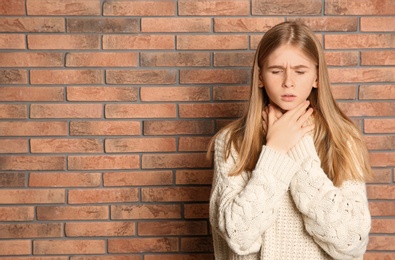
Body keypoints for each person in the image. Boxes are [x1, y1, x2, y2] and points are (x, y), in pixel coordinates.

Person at [208, 21, 374, 260]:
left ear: (317, 77)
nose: (288, 82)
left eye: (300, 71)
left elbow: (351, 241)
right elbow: (239, 236)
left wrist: (298, 150)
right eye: (276, 71)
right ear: (260, 77)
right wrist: (274, 151)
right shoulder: (233, 141)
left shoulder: (344, 139)